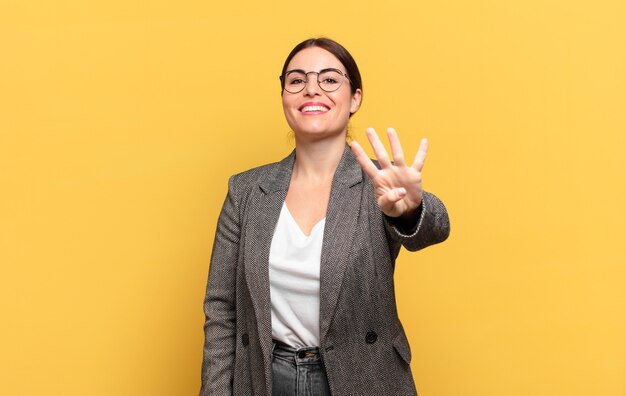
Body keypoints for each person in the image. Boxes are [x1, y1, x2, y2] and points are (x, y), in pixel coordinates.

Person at [200, 37, 450, 396]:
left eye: (330, 79)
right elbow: (221, 308)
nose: (312, 89)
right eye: (297, 80)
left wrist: (410, 210)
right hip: (268, 378)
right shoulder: (246, 191)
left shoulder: (380, 183)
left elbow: (436, 227)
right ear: (284, 95)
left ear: (355, 98)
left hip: (362, 377)